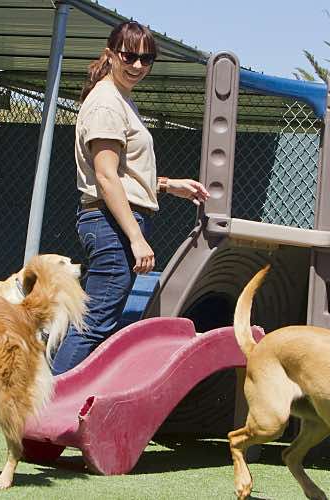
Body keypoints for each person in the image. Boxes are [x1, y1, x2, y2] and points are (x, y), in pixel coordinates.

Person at [50, 21, 209, 375]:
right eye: (129, 55)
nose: (138, 65)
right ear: (111, 53)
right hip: (111, 225)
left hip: (114, 221)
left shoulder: (120, 98)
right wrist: (136, 239)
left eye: (146, 58)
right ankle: (46, 413)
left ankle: (56, 409)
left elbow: (122, 174)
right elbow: (106, 177)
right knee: (94, 325)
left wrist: (168, 185)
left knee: (94, 322)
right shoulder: (107, 102)